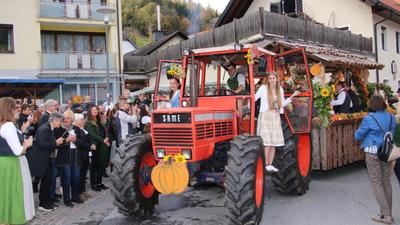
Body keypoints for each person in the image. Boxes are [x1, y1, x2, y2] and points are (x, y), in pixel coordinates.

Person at [355, 95, 396, 224]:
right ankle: (388, 212)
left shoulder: (369, 118)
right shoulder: (391, 117)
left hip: (373, 152)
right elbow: (392, 133)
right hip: (387, 153)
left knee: (377, 182)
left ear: (372, 105)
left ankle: (386, 215)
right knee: (386, 181)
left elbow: (358, 135)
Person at [255, 72, 299, 172]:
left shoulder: (280, 90)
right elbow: (255, 97)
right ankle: (265, 164)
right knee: (267, 142)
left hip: (275, 115)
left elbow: (282, 104)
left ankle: (270, 164)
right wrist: (246, 101)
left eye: (273, 78)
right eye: (270, 78)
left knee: (273, 142)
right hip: (266, 115)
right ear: (268, 80)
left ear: (277, 79)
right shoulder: (263, 88)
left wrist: (292, 96)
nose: (271, 80)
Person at [0, 97, 34, 224]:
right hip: (12, 163)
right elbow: (18, 151)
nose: (19, 110)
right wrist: (27, 144)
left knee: (5, 193)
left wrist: (22, 131)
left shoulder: (6, 125)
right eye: (16, 107)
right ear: (9, 109)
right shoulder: (8, 126)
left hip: (6, 162)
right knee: (14, 192)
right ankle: (11, 219)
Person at [28, 112, 64, 212]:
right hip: (42, 159)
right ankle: (43, 204)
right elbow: (42, 144)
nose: (60, 124)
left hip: (47, 158)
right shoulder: (45, 128)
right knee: (45, 182)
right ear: (55, 120)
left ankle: (47, 201)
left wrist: (55, 142)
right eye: (60, 121)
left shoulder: (49, 128)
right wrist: (56, 142)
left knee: (48, 181)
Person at [54, 110, 81, 207]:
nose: (65, 120)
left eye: (68, 118)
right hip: (65, 157)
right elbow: (56, 144)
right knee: (67, 178)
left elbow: (83, 142)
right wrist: (67, 141)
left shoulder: (77, 129)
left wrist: (76, 140)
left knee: (76, 177)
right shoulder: (58, 129)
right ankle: (67, 199)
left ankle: (75, 196)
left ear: (72, 119)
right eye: (64, 118)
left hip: (76, 156)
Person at [85, 105, 110, 191]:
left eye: (96, 110)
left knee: (100, 166)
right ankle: (94, 184)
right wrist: (103, 140)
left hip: (101, 146)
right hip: (94, 146)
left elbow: (104, 130)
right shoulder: (88, 123)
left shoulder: (98, 121)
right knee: (94, 166)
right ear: (90, 112)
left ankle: (99, 183)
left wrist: (106, 138)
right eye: (93, 110)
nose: (95, 111)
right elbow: (92, 134)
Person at [73, 113, 95, 201]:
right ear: (76, 121)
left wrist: (92, 144)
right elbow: (78, 142)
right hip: (79, 154)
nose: (83, 121)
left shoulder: (82, 129)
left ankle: (83, 190)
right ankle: (78, 192)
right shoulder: (75, 129)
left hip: (85, 154)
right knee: (79, 175)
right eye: (81, 119)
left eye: (83, 119)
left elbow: (88, 138)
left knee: (84, 174)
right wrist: (89, 146)